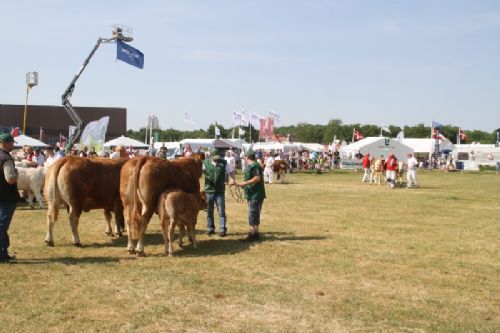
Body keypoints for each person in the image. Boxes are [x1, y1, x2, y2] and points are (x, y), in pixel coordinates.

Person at [237, 149, 266, 242]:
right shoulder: (252, 165)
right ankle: (255, 234)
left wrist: (244, 183)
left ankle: (253, 234)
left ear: (247, 157)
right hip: (252, 194)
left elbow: (257, 178)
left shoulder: (254, 165)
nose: (244, 158)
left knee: (253, 214)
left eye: (245, 156)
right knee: (254, 214)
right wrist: (244, 185)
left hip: (256, 195)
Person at [0, 133, 20, 263]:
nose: (13, 145)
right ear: (6, 143)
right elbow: (10, 179)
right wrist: (16, 174)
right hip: (7, 196)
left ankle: (3, 252)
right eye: (12, 143)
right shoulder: (5, 158)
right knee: (2, 226)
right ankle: (2, 254)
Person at [203, 148, 228, 237]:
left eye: (218, 157)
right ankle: (210, 228)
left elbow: (230, 172)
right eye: (214, 157)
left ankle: (222, 228)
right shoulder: (205, 163)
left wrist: (232, 180)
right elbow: (200, 172)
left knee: (221, 211)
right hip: (209, 190)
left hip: (220, 190)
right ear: (210, 155)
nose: (216, 159)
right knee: (209, 211)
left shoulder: (224, 163)